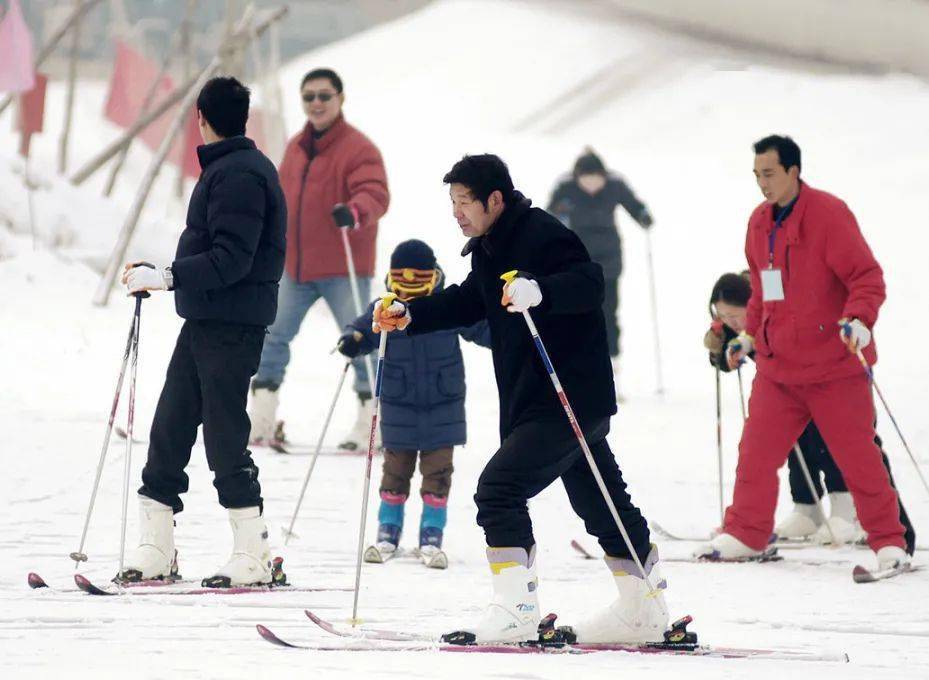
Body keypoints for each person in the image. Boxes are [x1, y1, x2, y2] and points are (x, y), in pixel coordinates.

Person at [374, 154, 668, 644]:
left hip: (565, 398)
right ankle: (644, 606)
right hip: (553, 400)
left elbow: (589, 282)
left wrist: (541, 291)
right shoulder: (492, 246)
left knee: (498, 490)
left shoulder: (541, 233)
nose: (456, 212)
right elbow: (471, 300)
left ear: (495, 199)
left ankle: (517, 610)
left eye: (464, 201)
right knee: (602, 502)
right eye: (452, 202)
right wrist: (410, 314)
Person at [696, 135, 910, 572]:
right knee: (755, 452)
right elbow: (762, 293)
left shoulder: (829, 214)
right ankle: (747, 532)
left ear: (794, 171)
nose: (762, 183)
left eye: (770, 174)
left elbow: (867, 277)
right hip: (779, 370)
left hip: (834, 365)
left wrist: (860, 319)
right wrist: (749, 337)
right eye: (757, 175)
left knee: (858, 457)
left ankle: (889, 542)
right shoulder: (759, 223)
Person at [119, 77, 286, 587]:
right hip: (206, 320)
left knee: (223, 434)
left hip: (233, 325)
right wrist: (168, 275)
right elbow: (216, 254)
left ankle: (253, 553)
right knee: (170, 426)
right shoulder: (231, 169)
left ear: (201, 118)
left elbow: (232, 259)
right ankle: (156, 547)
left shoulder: (239, 175)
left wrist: (169, 277)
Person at [704, 272, 915, 552]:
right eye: (724, 317)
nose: (731, 322)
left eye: (734, 316)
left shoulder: (773, 298)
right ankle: (807, 507)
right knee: (791, 442)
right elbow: (733, 353)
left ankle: (853, 512)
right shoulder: (748, 310)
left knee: (843, 443)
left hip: (832, 373)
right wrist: (719, 351)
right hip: (786, 382)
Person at [250, 67, 389, 451]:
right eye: (308, 96)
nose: (316, 103)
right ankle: (261, 417)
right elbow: (279, 196)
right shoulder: (296, 147)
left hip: (342, 266)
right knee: (272, 336)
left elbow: (375, 192)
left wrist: (355, 210)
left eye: (324, 96)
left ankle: (370, 423)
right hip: (295, 266)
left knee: (360, 339)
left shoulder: (359, 148)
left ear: (340, 99)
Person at [338, 239, 491, 569]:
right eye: (402, 281)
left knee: (438, 475)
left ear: (432, 276)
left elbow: (480, 328)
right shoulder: (386, 308)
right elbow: (364, 327)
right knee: (395, 472)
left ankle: (431, 536)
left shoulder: (447, 305)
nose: (409, 290)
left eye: (417, 281)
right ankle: (387, 532)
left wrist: (507, 332)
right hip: (398, 405)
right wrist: (355, 339)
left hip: (443, 405)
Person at [548, 149, 653, 377]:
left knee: (608, 312)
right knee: (577, 309)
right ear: (578, 177)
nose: (592, 184)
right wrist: (558, 220)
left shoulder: (615, 184)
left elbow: (633, 204)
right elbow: (550, 214)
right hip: (577, 259)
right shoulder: (566, 187)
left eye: (596, 179)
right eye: (586, 179)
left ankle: (612, 362)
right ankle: (578, 359)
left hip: (609, 261)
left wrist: (643, 215)